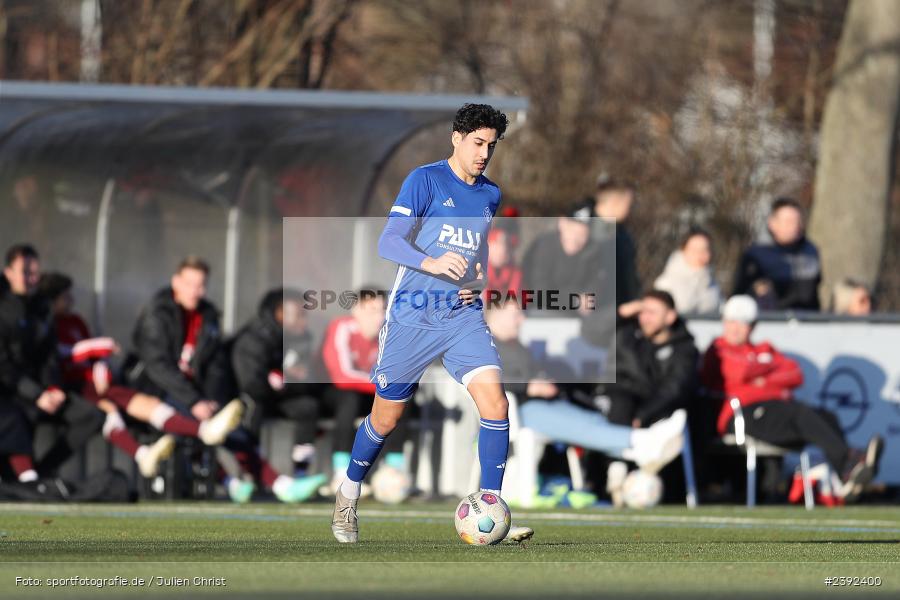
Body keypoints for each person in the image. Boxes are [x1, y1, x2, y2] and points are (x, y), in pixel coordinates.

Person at [331, 103, 532, 544]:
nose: (483, 153)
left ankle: (492, 508)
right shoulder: (424, 180)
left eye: (491, 146)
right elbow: (389, 241)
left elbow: (476, 261)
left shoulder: (489, 195)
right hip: (412, 315)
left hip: (461, 317)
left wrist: (475, 282)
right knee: (386, 418)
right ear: (456, 139)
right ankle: (348, 494)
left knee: (497, 405)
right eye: (477, 142)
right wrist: (433, 262)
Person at [128, 256, 323, 503]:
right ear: (176, 282)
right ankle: (265, 483)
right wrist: (194, 401)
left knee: (228, 426)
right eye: (190, 284)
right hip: (157, 391)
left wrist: (210, 399)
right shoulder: (157, 314)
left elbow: (215, 365)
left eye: (201, 285)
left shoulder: (207, 315)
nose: (196, 291)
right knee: (211, 428)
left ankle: (246, 482)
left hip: (195, 394)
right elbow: (158, 366)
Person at [39, 272, 241, 478]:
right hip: (71, 387)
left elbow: (91, 356)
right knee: (108, 411)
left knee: (146, 402)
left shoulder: (75, 321)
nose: (71, 300)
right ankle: (145, 452)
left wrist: (100, 366)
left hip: (97, 384)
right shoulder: (48, 323)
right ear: (52, 300)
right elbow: (59, 354)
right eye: (65, 296)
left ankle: (203, 431)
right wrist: (96, 347)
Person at [701, 295, 883, 502]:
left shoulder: (764, 349)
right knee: (801, 413)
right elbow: (739, 372)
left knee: (825, 415)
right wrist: (770, 371)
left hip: (774, 411)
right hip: (741, 416)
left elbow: (795, 374)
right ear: (724, 322)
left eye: (743, 323)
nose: (736, 328)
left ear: (753, 326)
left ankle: (846, 475)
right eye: (731, 322)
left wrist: (761, 376)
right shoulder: (718, 349)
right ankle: (848, 467)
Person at [486, 299, 686, 477]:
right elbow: (483, 379)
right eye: (515, 315)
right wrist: (529, 387)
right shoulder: (486, 345)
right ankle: (645, 440)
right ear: (498, 315)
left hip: (545, 404)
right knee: (584, 429)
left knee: (594, 420)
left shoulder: (516, 346)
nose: (521, 320)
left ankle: (644, 447)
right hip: (520, 411)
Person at [0, 244, 103, 484]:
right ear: (9, 273)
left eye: (34, 272)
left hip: (42, 391)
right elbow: (3, 365)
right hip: (12, 391)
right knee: (15, 416)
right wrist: (36, 394)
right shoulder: (4, 308)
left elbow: (50, 355)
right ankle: (25, 477)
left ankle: (42, 472)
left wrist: (53, 387)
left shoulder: (42, 307)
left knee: (91, 416)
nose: (32, 278)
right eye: (25, 271)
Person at [321, 288, 409, 492]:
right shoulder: (342, 328)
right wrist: (384, 382)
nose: (379, 317)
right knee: (348, 399)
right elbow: (342, 377)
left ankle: (392, 471)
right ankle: (342, 472)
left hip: (369, 391)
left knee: (402, 395)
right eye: (372, 310)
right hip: (331, 392)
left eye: (383, 310)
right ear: (356, 310)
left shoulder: (388, 333)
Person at [231, 288, 325, 473]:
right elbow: (252, 384)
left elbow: (307, 380)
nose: (304, 321)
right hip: (251, 398)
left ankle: (301, 473)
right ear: (279, 313)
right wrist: (284, 380)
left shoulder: (301, 340)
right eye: (299, 314)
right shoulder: (254, 339)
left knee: (308, 407)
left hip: (279, 396)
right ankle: (252, 474)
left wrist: (287, 380)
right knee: (253, 406)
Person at [595, 290, 699, 428]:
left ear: (670, 317)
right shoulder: (627, 333)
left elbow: (673, 389)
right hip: (615, 399)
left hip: (651, 412)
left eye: (652, 313)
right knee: (619, 405)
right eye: (642, 312)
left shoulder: (684, 349)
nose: (645, 318)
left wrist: (642, 415)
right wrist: (621, 312)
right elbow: (591, 330)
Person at [733, 197, 822, 310]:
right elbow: (739, 295)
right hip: (771, 321)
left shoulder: (810, 251)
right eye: (788, 221)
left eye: (797, 221)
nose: (795, 226)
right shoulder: (756, 255)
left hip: (807, 320)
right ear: (772, 223)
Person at [521, 202, 601, 311]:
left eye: (582, 234)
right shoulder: (543, 247)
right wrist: (575, 301)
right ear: (562, 223)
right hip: (538, 313)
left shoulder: (593, 252)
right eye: (572, 230)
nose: (575, 239)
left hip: (579, 316)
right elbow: (538, 293)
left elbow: (596, 288)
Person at [592, 175, 640, 306]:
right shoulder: (583, 232)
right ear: (615, 202)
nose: (630, 209)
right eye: (628, 203)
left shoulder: (623, 234)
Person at [653, 228, 722, 314]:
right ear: (683, 250)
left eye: (705, 249)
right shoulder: (666, 283)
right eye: (695, 250)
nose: (700, 254)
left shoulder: (713, 284)